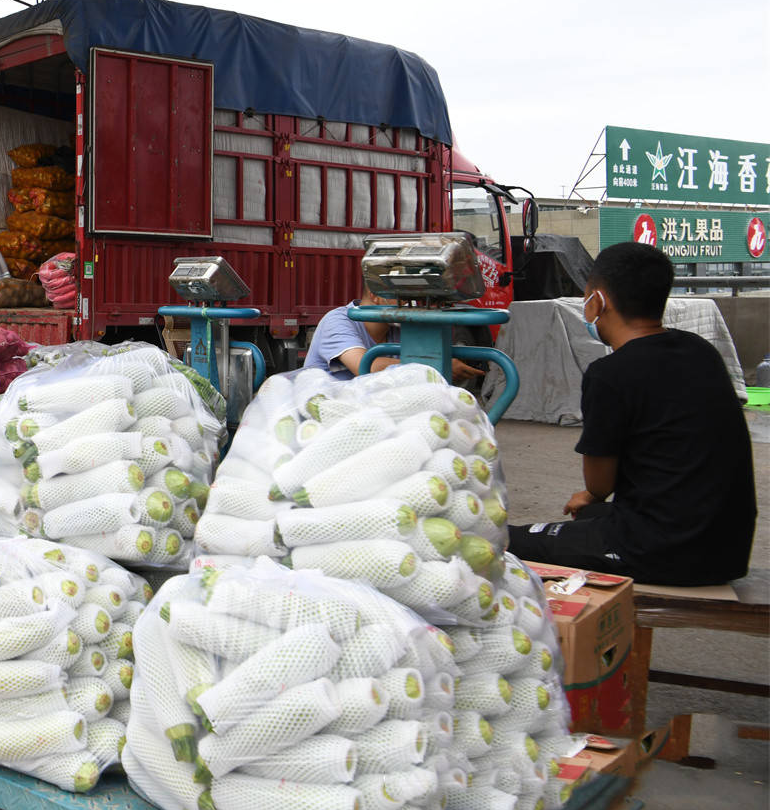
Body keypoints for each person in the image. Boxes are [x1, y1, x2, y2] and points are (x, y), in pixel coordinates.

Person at [507, 242, 756, 585]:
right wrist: (592, 502)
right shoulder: (701, 351)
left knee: (511, 540)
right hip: (728, 548)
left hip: (661, 552)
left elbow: (599, 484)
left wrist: (591, 495)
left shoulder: (610, 374)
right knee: (590, 513)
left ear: (598, 300)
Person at [303, 279, 483, 382]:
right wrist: (436, 367)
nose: (409, 304)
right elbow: (366, 367)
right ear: (376, 295)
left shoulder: (398, 330)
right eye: (403, 297)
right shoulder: (338, 320)